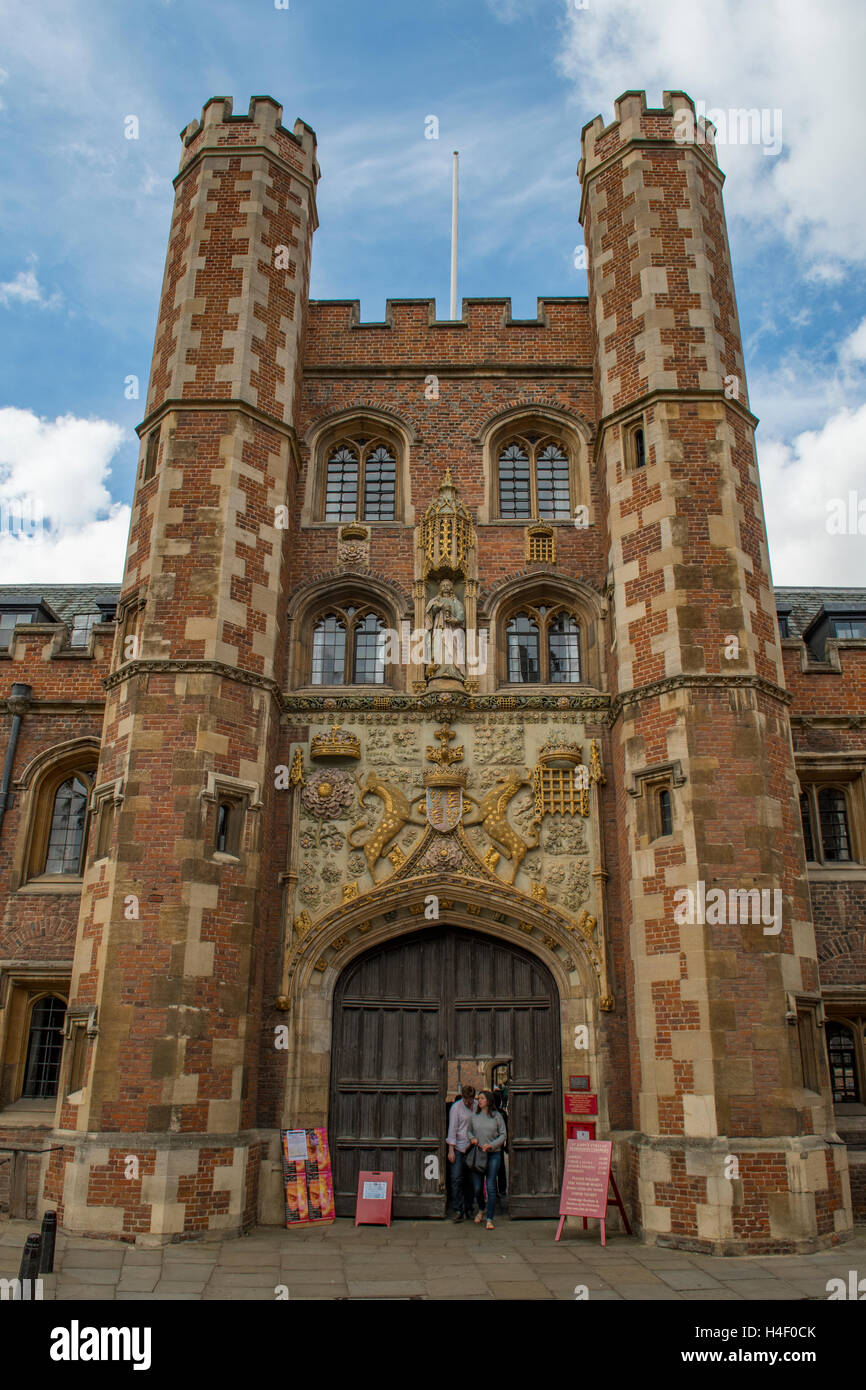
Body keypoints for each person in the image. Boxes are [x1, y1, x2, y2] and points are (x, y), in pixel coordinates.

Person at [468, 1090, 507, 1229]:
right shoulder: (474, 1116)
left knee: (490, 1186)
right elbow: (469, 1131)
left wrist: (492, 1145)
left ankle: (489, 1218)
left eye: (482, 1098)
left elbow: (503, 1134)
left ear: (489, 1101)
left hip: (493, 1154)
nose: (479, 1101)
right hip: (479, 1153)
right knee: (478, 1188)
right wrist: (472, 1138)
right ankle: (481, 1208)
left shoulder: (497, 1116)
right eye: (479, 1098)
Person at [446, 1083, 477, 1222]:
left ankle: (469, 1207)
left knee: (471, 1179)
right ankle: (458, 1208)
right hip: (458, 1147)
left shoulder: (477, 1106)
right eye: (465, 1099)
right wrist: (451, 1149)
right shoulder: (456, 1107)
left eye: (470, 1099)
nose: (468, 1102)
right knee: (457, 1178)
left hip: (472, 1147)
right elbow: (452, 1128)